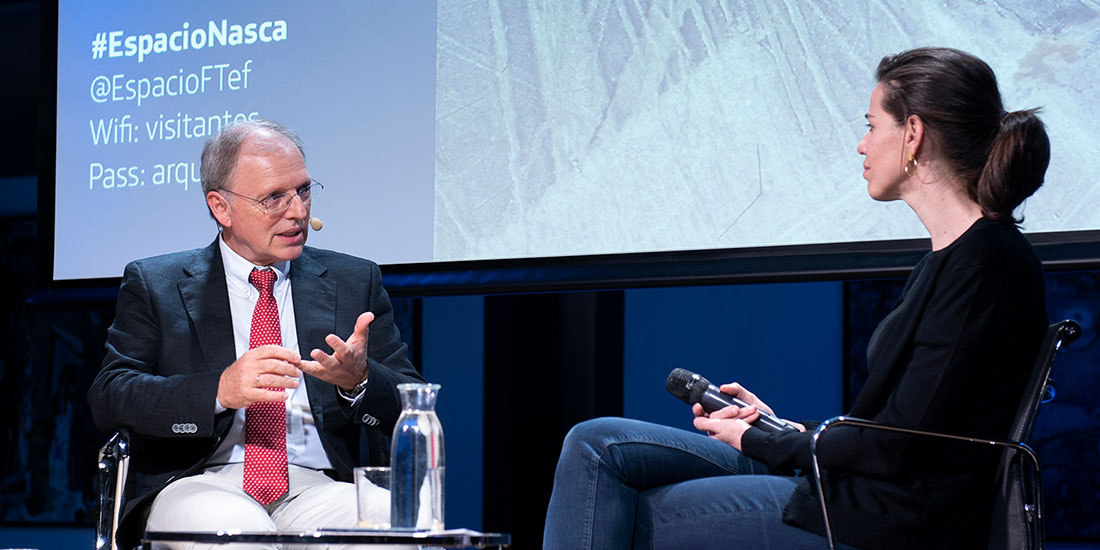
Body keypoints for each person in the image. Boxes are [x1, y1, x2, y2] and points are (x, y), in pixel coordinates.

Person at [542, 47, 1050, 550]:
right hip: (857, 486)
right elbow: (894, 426)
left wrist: (766, 440)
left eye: (872, 126)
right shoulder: (956, 258)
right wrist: (780, 424)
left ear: (913, 134)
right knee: (596, 444)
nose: (861, 145)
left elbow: (899, 445)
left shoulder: (986, 263)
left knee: (622, 507)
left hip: (883, 517)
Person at [88, 119, 424, 549]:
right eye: (274, 198)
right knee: (240, 534)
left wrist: (359, 381)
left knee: (390, 521)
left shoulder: (353, 280)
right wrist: (220, 390)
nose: (299, 211)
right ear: (221, 207)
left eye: (303, 190)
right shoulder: (156, 284)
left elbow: (412, 404)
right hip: (201, 481)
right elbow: (111, 395)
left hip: (316, 485)